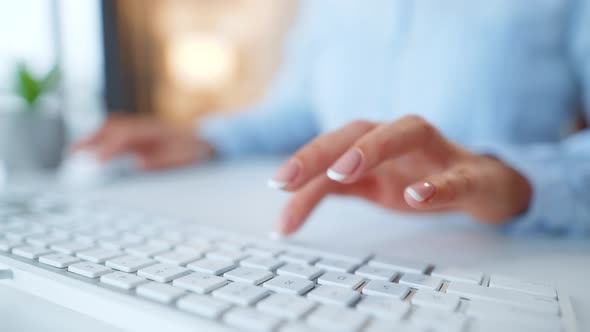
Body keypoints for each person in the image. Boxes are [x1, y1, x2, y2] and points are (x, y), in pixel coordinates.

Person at [76, 0, 590, 237]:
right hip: (337, 241)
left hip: (505, 250)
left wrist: (517, 181)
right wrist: (200, 136)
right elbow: (299, 113)